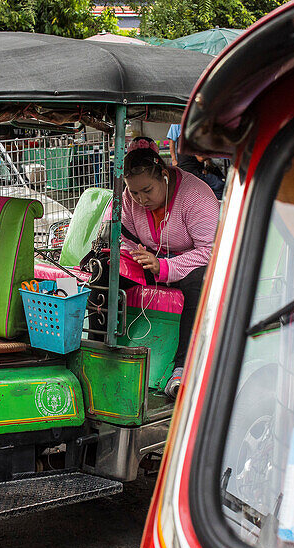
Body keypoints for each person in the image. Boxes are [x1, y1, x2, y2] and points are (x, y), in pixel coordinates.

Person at [121, 137, 220, 397]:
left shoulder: (196, 197)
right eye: (133, 192)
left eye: (147, 191)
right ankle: (100, 349)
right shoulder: (130, 199)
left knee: (201, 284)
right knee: (109, 273)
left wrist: (163, 267)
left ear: (164, 176)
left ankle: (181, 370)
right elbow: (122, 236)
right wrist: (138, 256)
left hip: (191, 266)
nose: (140, 199)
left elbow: (209, 252)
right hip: (154, 261)